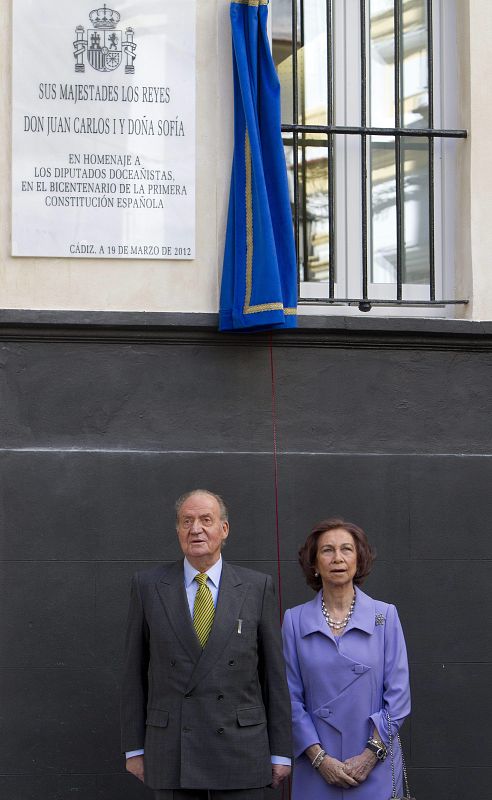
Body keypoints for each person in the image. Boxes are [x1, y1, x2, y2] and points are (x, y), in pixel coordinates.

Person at [120, 489, 292, 800]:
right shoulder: (148, 586)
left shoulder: (256, 586)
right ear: (177, 531)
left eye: (206, 520)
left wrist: (280, 752)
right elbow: (133, 673)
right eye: (186, 521)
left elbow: (274, 676)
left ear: (223, 529)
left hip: (242, 750)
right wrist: (134, 747)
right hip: (173, 752)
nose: (195, 529)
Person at [282, 518, 410, 799]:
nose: (337, 558)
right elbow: (290, 699)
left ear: (359, 559)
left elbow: (399, 698)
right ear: (314, 564)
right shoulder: (295, 620)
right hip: (316, 764)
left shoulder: (384, 616)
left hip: (375, 763)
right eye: (327, 550)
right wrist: (319, 759)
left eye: (346, 549)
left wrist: (370, 754)